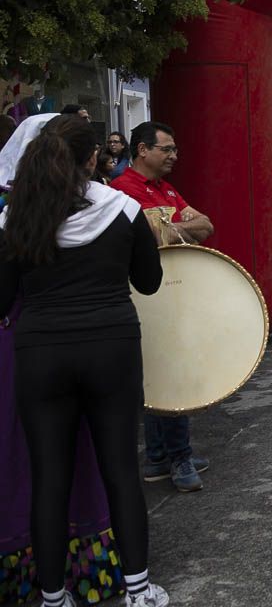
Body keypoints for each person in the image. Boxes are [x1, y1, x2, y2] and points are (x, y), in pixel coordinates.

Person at [0, 115, 170, 607]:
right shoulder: (123, 209)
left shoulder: (18, 217)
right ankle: (138, 590)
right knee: (120, 468)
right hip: (111, 348)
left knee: (49, 477)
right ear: (93, 158)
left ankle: (53, 597)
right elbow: (150, 282)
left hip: (41, 353)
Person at [111, 121, 214, 493]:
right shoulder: (123, 190)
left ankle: (159, 456)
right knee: (167, 372)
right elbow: (146, 239)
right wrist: (177, 225)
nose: (174, 155)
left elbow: (206, 226)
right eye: (167, 149)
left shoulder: (166, 188)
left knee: (167, 365)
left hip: (174, 293)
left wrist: (168, 227)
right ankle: (179, 456)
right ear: (142, 150)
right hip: (146, 294)